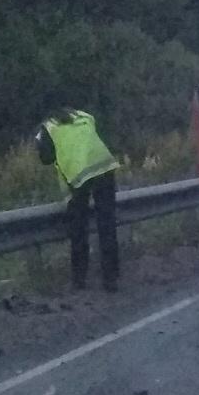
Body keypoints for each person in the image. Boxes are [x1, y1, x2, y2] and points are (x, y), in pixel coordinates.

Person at [35, 108, 122, 291]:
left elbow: (47, 158)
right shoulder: (84, 116)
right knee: (107, 224)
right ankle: (111, 278)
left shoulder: (49, 127)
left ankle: (79, 279)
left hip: (79, 174)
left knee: (78, 227)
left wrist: (40, 143)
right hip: (104, 167)